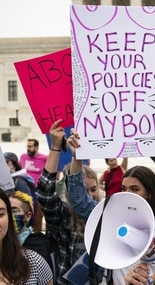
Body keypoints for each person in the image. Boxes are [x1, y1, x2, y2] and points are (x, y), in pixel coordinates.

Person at [65, 122, 155, 284]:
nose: (127, 194)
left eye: (135, 189)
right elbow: (79, 201)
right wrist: (76, 157)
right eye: (124, 188)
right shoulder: (110, 216)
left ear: (150, 193)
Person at [37, 120, 93, 285]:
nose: (88, 196)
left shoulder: (102, 216)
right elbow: (45, 193)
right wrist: (55, 148)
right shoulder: (62, 218)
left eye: (93, 189)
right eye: (83, 191)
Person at [9, 190, 55, 276]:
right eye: (4, 211)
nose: (9, 215)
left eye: (14, 211)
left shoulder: (38, 246)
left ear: (27, 216)